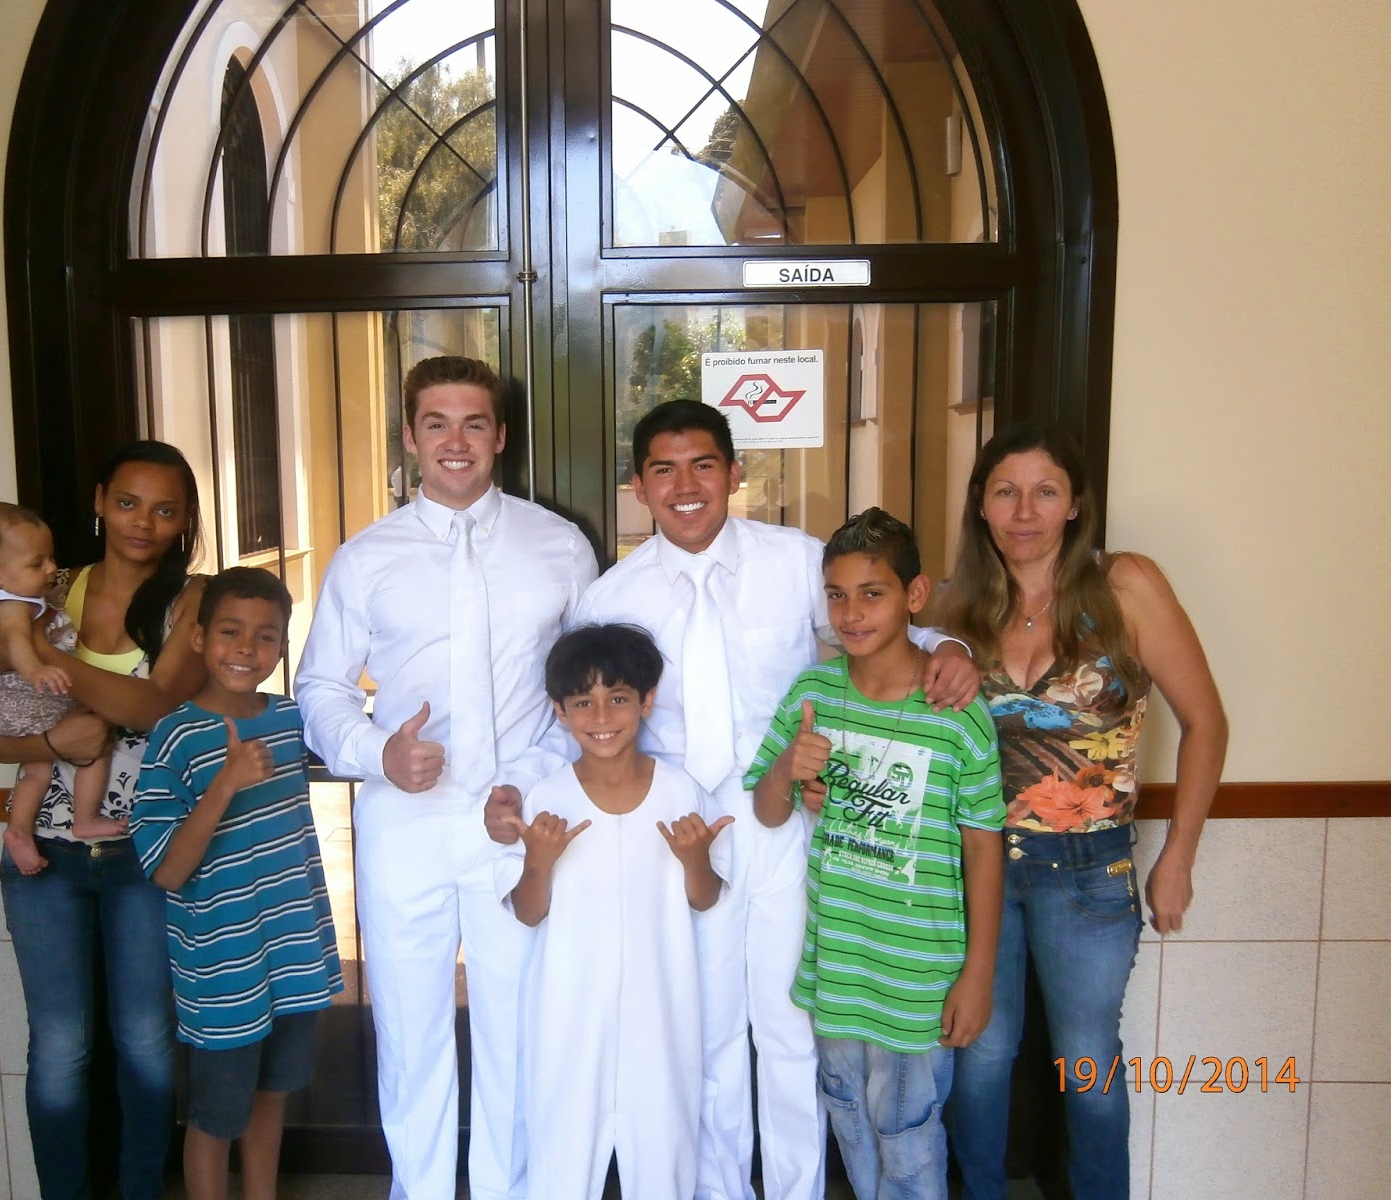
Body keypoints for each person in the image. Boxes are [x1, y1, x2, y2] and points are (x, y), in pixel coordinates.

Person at [487, 399, 979, 1200]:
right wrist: (516, 785)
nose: (685, 486)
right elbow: (581, 714)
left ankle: (794, 1191)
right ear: (639, 486)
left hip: (783, 823)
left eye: (703, 466)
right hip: (677, 835)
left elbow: (875, 624)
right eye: (664, 470)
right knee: (704, 1033)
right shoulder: (613, 594)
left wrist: (948, 646)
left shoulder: (795, 561)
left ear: (734, 474)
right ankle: (719, 1191)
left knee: (788, 1032)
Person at [294, 355, 599, 1200]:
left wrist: (533, 775)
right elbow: (318, 687)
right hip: (406, 819)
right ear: (410, 436)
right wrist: (376, 751)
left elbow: (592, 684)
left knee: (518, 1029)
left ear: (499, 436)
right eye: (436, 423)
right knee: (410, 1030)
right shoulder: (366, 557)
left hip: (520, 817)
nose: (455, 441)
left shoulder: (560, 546)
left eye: (473, 423)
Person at [935, 421, 1227, 1200]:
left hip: (1090, 870)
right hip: (977, 866)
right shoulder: (960, 607)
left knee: (1087, 1063)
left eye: (1045, 491)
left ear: (1074, 505)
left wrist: (1179, 859)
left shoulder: (1124, 585)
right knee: (978, 1054)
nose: (1024, 510)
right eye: (1006, 492)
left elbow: (1206, 722)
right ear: (982, 505)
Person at [0, 439, 209, 1200]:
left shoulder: (189, 600)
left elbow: (153, 705)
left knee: (147, 1042)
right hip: (42, 853)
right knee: (60, 1048)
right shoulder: (41, 585)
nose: (143, 522)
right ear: (99, 502)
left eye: (165, 510)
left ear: (184, 521)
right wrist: (49, 742)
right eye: (127, 502)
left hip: (145, 849)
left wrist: (34, 653)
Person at [748, 508, 1006, 1200]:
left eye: (872, 593)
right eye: (836, 595)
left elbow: (984, 849)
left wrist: (978, 974)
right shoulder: (813, 694)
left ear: (915, 595)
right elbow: (767, 809)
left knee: (909, 1135)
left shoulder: (956, 713)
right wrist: (787, 769)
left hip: (917, 975)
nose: (851, 613)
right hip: (838, 966)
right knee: (849, 1117)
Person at [132, 566, 344, 1200]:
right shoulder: (175, 735)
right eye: (230, 631)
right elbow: (167, 870)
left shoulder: (290, 719)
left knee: (272, 1100)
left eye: (266, 635)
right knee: (215, 1118)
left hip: (294, 954)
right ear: (199, 638)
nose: (247, 648)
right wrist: (225, 783)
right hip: (223, 968)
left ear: (282, 646)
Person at [499, 623, 731, 1200]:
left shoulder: (681, 792)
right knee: (563, 1150)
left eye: (619, 698)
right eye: (583, 702)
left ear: (646, 701)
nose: (602, 715)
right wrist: (539, 862)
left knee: (662, 1150)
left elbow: (705, 898)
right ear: (560, 711)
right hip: (570, 1015)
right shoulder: (546, 798)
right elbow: (527, 913)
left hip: (661, 1014)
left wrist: (695, 859)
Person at [0, 501, 119, 875]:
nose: (50, 569)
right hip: (29, 698)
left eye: (51, 558)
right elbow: (17, 640)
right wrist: (36, 670)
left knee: (37, 772)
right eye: (37, 564)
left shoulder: (7, 594)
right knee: (97, 735)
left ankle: (19, 830)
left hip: (12, 705)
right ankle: (85, 817)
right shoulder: (11, 606)